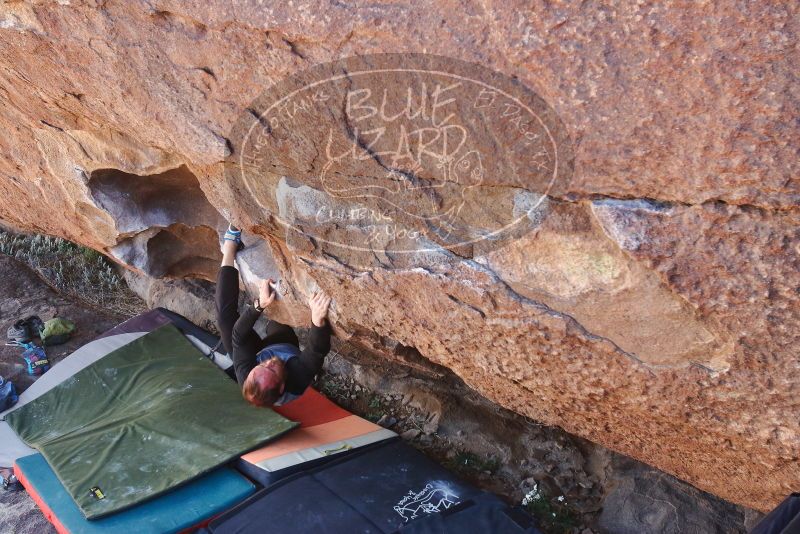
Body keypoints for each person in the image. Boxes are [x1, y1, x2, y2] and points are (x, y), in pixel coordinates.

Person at [216, 225, 332, 407]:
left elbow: (238, 335)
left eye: (262, 366)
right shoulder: (297, 379)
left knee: (225, 321)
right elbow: (316, 350)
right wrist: (317, 320)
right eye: (272, 369)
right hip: (283, 343)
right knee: (276, 324)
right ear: (281, 387)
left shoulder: (247, 374)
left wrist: (259, 306)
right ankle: (275, 324)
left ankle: (230, 245)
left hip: (255, 352)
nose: (268, 362)